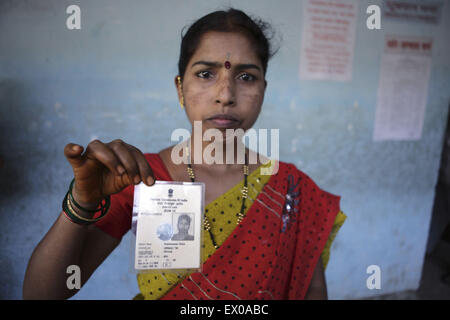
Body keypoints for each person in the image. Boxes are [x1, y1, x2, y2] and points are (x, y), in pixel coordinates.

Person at [23, 8, 346, 300]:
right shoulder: (139, 176)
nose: (226, 95)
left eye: (246, 77)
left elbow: (312, 290)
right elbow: (42, 294)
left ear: (263, 90)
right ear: (180, 88)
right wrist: (82, 201)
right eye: (206, 73)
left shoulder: (292, 188)